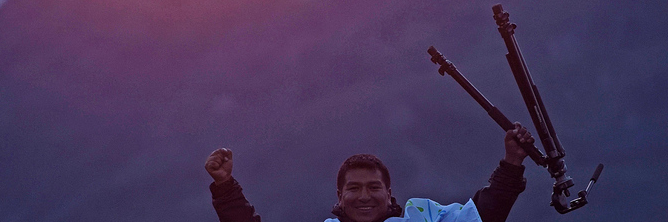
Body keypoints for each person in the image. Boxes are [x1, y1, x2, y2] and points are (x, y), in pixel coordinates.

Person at [205, 123, 534, 222]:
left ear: (389, 194)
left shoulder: (424, 219)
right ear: (340, 196)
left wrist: (512, 161)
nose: (364, 196)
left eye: (373, 187)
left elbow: (483, 215)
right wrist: (225, 186)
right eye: (354, 188)